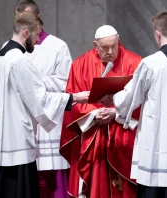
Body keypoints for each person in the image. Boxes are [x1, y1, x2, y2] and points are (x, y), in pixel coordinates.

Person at [0, 12, 89, 198]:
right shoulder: (20, 61)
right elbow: (40, 100)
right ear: (26, 32)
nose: (38, 39)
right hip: (16, 143)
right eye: (37, 35)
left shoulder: (0, 55)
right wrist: (75, 98)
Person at [102, 11, 167, 198]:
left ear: (157, 33)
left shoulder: (151, 64)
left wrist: (112, 98)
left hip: (158, 147)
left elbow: (130, 98)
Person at [59, 25, 142, 197]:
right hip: (92, 137)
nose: (111, 51)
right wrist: (94, 113)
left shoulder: (135, 62)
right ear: (95, 45)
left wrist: (115, 113)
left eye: (114, 46)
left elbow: (143, 101)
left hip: (124, 137)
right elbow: (71, 102)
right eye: (105, 47)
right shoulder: (80, 65)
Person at [14, 1, 73, 197]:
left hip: (49, 124)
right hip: (24, 123)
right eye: (19, 20)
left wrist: (34, 83)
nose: (23, 26)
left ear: (39, 19)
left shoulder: (57, 46)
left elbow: (65, 81)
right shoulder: (14, 51)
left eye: (27, 20)